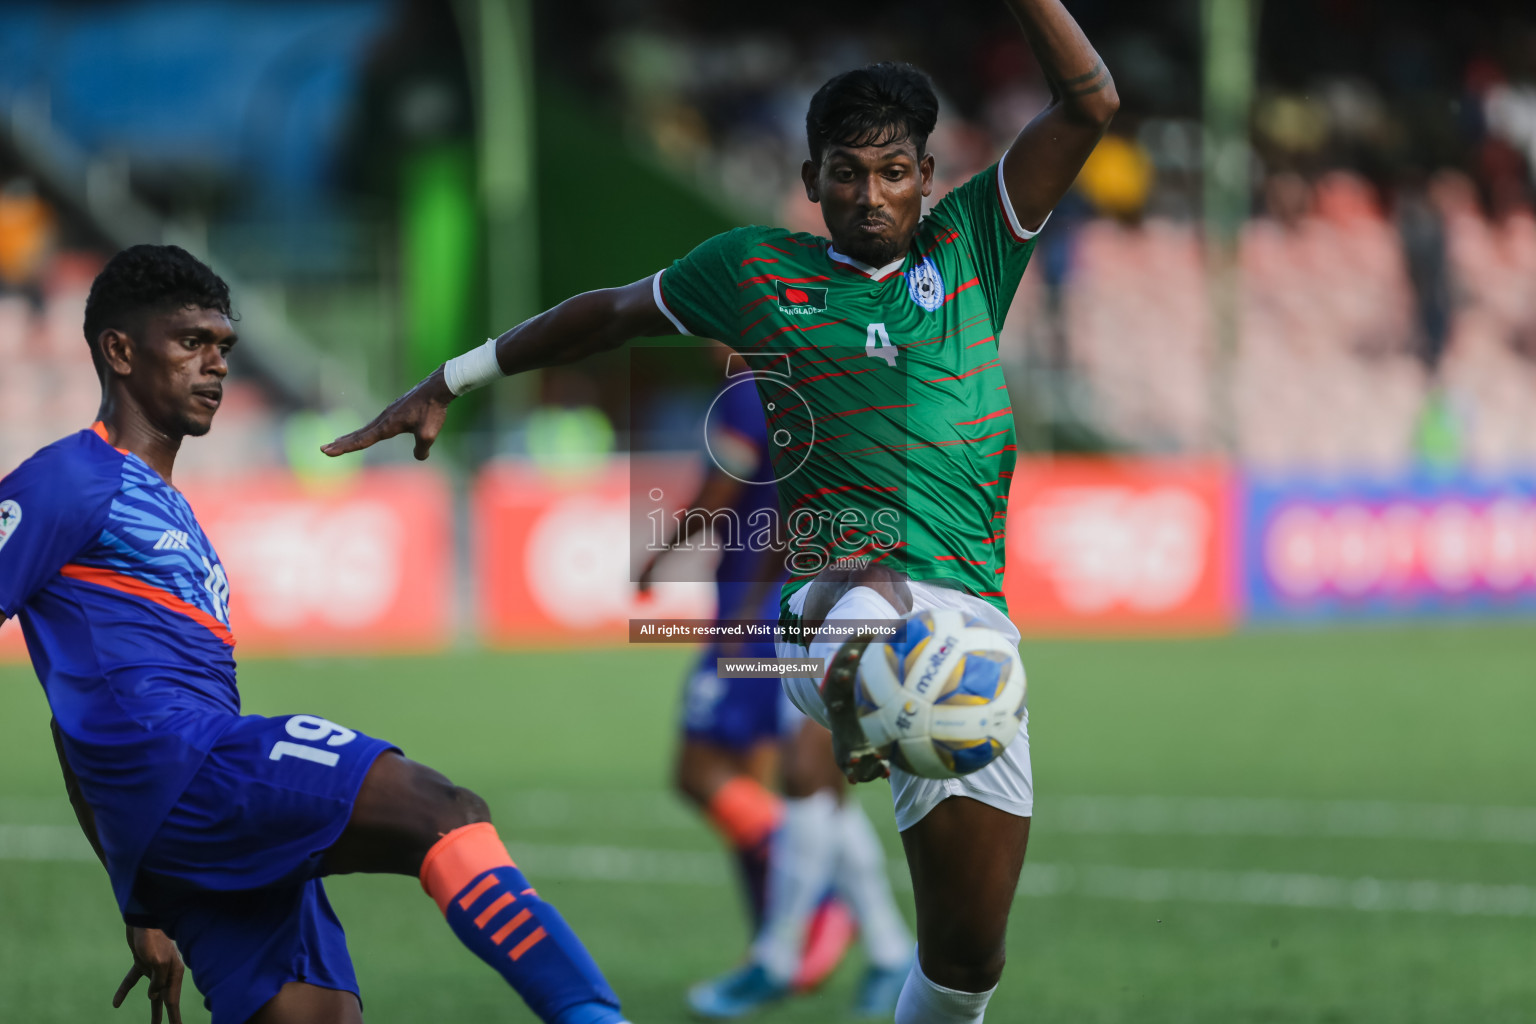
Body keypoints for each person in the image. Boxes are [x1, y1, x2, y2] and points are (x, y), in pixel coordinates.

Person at [326, 3, 1117, 1020]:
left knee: (966, 965)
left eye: (893, 172)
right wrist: (453, 376)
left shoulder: (974, 245)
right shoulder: (753, 271)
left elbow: (1090, 100)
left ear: (929, 175)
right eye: (846, 172)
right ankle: (858, 720)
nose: (870, 196)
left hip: (974, 629)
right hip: (828, 602)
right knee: (874, 610)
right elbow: (606, 315)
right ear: (810, 182)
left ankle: (872, 803)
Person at [0, 244, 634, 1024]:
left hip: (175, 826)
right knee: (444, 811)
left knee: (319, 1016)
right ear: (120, 351)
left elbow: (74, 724)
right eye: (190, 342)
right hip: (189, 769)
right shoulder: (67, 479)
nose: (216, 365)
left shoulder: (170, 510)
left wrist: (137, 895)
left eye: (223, 347)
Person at [636, 356, 912, 1017]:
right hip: (837, 598)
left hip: (774, 610)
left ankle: (800, 927)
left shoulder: (750, 389)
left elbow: (732, 487)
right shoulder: (832, 378)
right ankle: (879, 945)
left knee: (708, 766)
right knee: (803, 771)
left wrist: (671, 557)